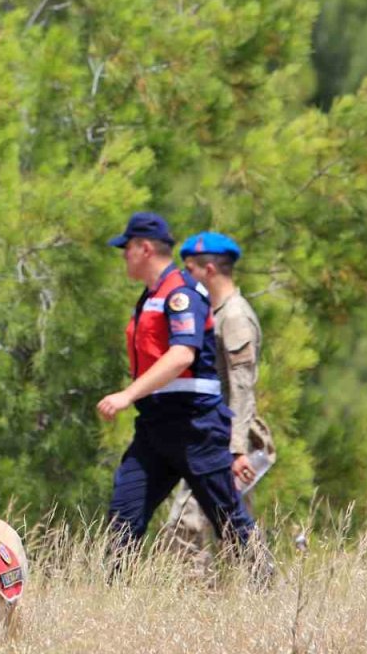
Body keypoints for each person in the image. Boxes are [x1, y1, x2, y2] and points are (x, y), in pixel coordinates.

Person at [96, 212, 259, 565]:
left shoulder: (181, 293)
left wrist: (126, 394)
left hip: (195, 427)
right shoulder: (150, 296)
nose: (124, 255)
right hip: (155, 426)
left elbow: (182, 355)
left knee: (231, 523)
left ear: (144, 248)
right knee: (124, 515)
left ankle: (267, 588)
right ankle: (113, 599)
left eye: (127, 248)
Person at [162, 232, 276, 568]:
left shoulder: (235, 316)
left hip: (226, 440)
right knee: (232, 529)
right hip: (214, 436)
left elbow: (242, 390)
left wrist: (236, 449)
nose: (184, 278)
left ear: (209, 269)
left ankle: (192, 600)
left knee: (186, 524)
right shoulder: (216, 312)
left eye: (190, 269)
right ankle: (257, 591)